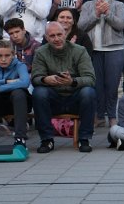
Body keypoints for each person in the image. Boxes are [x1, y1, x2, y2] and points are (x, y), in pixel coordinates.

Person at [31, 21, 96, 153]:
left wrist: (72, 81)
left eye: (59, 34)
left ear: (65, 34)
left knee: (89, 92)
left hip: (75, 97)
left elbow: (90, 79)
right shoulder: (41, 52)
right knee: (38, 92)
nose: (57, 39)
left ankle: (84, 138)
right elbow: (35, 78)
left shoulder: (80, 51)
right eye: (52, 36)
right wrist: (45, 79)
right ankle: (46, 139)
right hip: (53, 97)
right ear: (46, 38)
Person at [78, 0, 124, 127]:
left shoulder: (118, 5)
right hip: (94, 51)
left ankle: (112, 116)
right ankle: (99, 116)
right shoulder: (87, 5)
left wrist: (107, 13)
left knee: (112, 86)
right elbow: (81, 26)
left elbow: (121, 24)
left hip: (114, 49)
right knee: (96, 85)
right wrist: (96, 13)